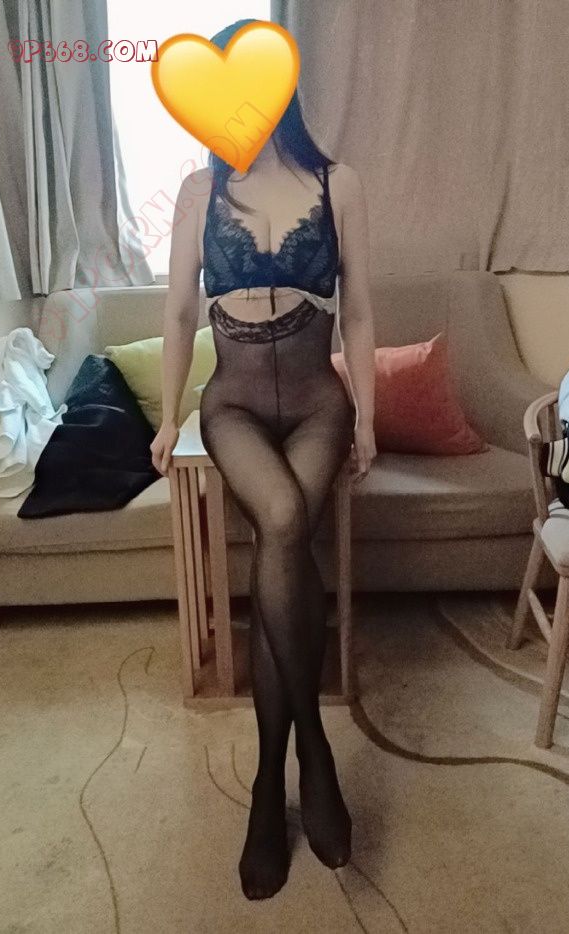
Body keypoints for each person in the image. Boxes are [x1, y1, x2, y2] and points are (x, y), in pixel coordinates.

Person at [150, 18, 376, 901]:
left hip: (319, 402)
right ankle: (312, 749)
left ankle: (267, 784)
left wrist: (368, 417)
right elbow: (178, 313)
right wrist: (166, 418)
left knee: (280, 542)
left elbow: (359, 310)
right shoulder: (196, 193)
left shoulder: (338, 182)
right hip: (235, 404)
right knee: (282, 519)